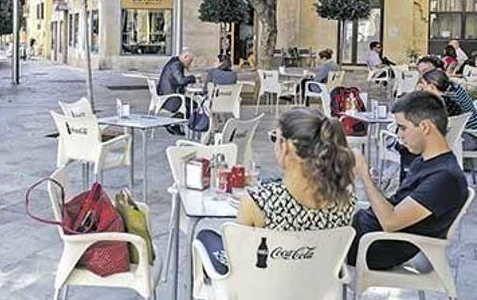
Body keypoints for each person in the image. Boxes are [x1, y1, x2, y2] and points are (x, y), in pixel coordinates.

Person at [196, 108, 357, 275]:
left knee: (205, 237)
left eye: (275, 138)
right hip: (319, 288)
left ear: (285, 146)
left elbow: (238, 263)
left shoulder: (258, 201)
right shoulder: (346, 200)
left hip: (264, 287)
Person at [348, 91, 468, 270]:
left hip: (371, 247)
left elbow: (391, 222)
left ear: (425, 127)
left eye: (403, 127)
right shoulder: (425, 161)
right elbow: (397, 206)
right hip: (364, 233)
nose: (399, 134)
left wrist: (364, 175)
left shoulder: (445, 178)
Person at [157, 48, 197, 114]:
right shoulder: (176, 64)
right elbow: (181, 80)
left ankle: (186, 121)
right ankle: (187, 122)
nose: (190, 63)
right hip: (170, 99)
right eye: (190, 60)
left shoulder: (174, 61)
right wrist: (193, 78)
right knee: (193, 105)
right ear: (185, 57)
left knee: (191, 103)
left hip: (165, 95)